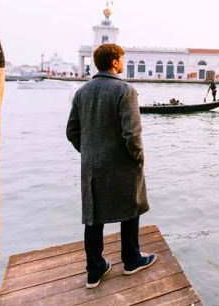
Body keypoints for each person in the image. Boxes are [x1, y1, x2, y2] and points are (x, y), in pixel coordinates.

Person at [66, 43, 156, 289]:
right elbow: (132, 135)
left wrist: (89, 152)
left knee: (93, 217)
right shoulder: (125, 91)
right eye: (122, 59)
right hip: (122, 164)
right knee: (131, 208)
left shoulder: (82, 92)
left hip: (92, 166)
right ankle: (131, 259)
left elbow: (71, 131)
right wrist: (137, 159)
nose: (123, 63)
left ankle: (94, 270)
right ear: (114, 62)